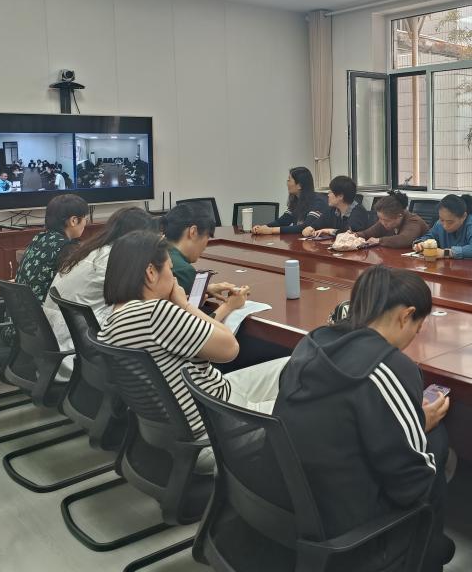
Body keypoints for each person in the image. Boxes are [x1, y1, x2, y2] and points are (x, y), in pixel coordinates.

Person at [275, 265, 454, 572]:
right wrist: (416, 429)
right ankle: (426, 550)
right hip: (350, 533)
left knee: (424, 431)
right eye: (417, 328)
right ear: (406, 316)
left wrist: (411, 422)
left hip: (290, 503)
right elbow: (411, 485)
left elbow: (342, 419)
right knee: (436, 441)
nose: (414, 337)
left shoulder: (313, 342)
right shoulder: (391, 368)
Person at [97, 231, 289, 473]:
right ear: (151, 272)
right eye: (170, 269)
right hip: (218, 430)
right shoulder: (155, 313)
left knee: (293, 365)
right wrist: (184, 304)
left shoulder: (112, 321)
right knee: (306, 402)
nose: (174, 279)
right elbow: (230, 348)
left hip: (194, 419)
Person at [41, 207, 156, 377]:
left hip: (55, 353)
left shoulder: (92, 251)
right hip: (76, 357)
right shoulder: (113, 261)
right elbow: (144, 305)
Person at [15, 193, 89, 302]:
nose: (86, 223)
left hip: (21, 310)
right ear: (74, 221)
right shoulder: (66, 248)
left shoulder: (39, 238)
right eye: (86, 219)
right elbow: (79, 287)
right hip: (45, 311)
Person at [161, 202, 237, 299]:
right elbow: (191, 308)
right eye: (207, 237)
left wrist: (205, 289)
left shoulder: (154, 251)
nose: (205, 247)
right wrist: (231, 304)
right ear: (193, 232)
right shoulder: (183, 270)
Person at [413, 194, 472, 259]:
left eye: (450, 222)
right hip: (449, 267)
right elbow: (429, 236)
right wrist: (421, 244)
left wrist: (446, 253)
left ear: (463, 216)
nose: (445, 225)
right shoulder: (439, 224)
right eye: (442, 220)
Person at [251, 166, 328, 235]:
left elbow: (305, 227)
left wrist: (271, 230)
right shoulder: (296, 200)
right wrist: (262, 228)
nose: (287, 183)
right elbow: (283, 221)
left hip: (316, 244)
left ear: (299, 185)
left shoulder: (318, 202)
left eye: (289, 180)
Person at [301, 174, 372, 237]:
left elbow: (350, 233)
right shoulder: (333, 209)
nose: (328, 195)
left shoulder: (358, 212)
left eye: (330, 192)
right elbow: (318, 224)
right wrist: (310, 228)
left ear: (340, 196)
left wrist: (329, 231)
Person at [356, 190, 428, 248]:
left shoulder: (414, 221)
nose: (382, 222)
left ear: (399, 216)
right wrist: (354, 235)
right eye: (380, 218)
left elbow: (404, 240)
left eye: (386, 220)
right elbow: (367, 234)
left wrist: (379, 241)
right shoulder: (383, 222)